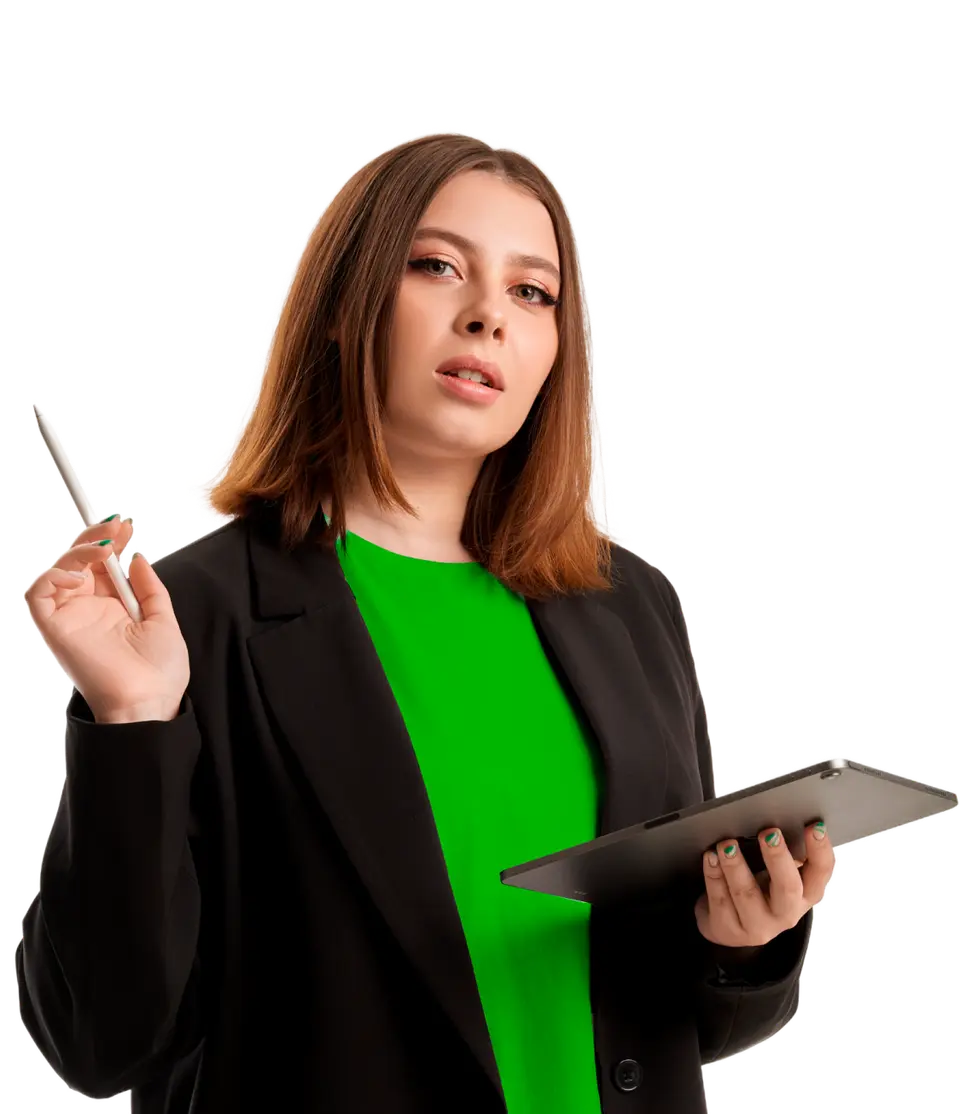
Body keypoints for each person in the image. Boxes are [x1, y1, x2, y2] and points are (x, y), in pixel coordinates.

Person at [17, 133, 832, 1113]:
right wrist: (131, 719)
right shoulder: (193, 615)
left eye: (533, 292)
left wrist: (745, 943)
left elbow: (675, 1022)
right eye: (438, 266)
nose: (489, 315)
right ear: (341, 307)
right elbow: (101, 1042)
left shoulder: (630, 604)